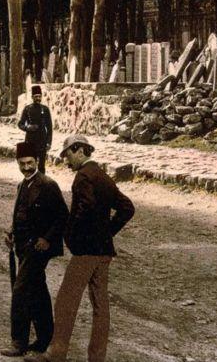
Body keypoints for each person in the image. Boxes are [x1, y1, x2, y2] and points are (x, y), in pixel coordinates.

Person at [25, 135, 135, 362]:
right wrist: (106, 233)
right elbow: (127, 208)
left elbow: (85, 207)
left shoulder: (83, 177)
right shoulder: (103, 176)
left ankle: (56, 353)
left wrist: (71, 235)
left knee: (65, 301)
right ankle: (97, 358)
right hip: (104, 251)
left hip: (86, 251)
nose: (67, 162)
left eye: (68, 155)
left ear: (79, 150)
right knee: (100, 307)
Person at [0, 142, 68, 358]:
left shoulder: (48, 184)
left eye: (30, 163)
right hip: (23, 247)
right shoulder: (22, 185)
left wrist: (47, 239)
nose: (27, 167)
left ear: (37, 161)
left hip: (38, 249)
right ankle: (45, 339)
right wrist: (12, 232)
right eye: (22, 164)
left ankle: (18, 342)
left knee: (20, 291)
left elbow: (62, 217)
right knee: (37, 291)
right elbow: (22, 214)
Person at [17, 85, 53, 173]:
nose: (38, 98)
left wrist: (49, 142)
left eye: (39, 96)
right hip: (30, 140)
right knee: (30, 164)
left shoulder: (45, 109)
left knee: (41, 165)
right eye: (36, 96)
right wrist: (27, 127)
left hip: (42, 140)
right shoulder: (27, 109)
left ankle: (42, 183)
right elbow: (20, 124)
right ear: (32, 97)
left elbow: (49, 127)